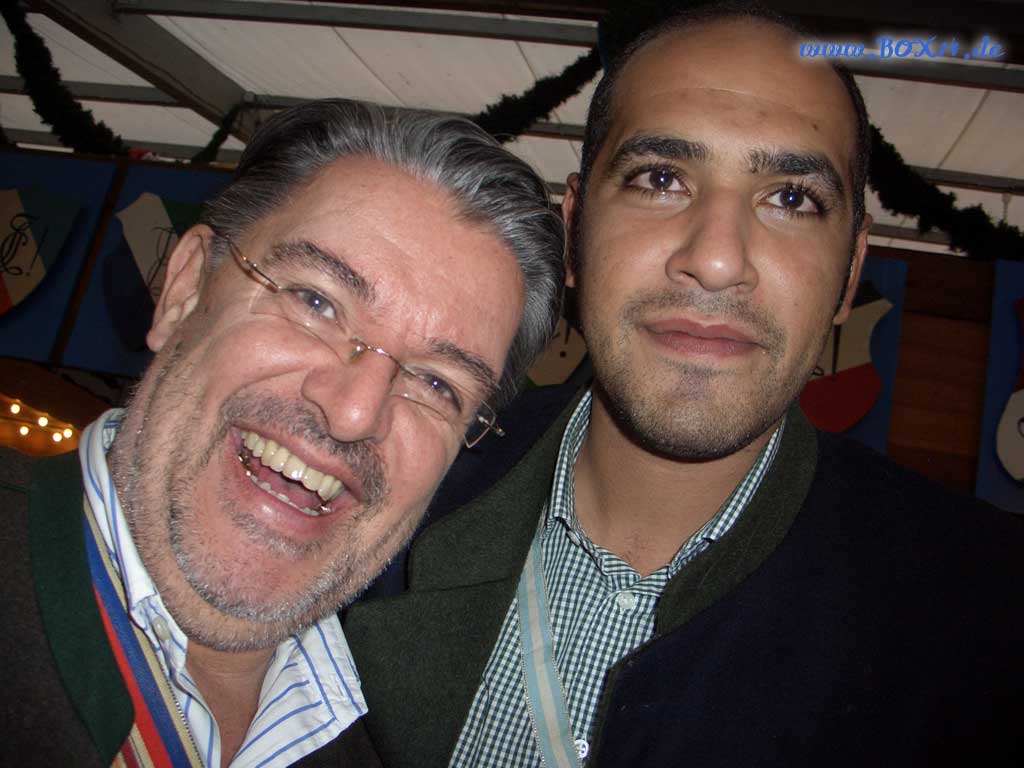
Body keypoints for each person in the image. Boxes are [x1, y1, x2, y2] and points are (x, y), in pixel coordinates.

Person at [343, 5, 1024, 767]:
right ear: (575, 232)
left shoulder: (989, 615)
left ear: (849, 273)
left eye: (792, 198)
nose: (718, 260)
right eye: (661, 179)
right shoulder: (382, 481)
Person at [0, 98, 564, 768]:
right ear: (184, 291)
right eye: (316, 301)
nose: (354, 412)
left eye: (438, 384)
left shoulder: (384, 745)